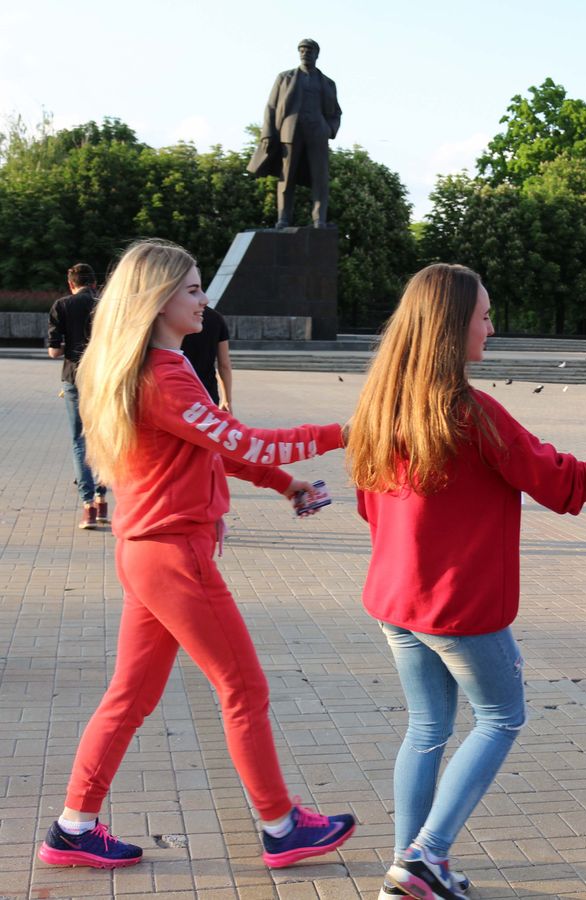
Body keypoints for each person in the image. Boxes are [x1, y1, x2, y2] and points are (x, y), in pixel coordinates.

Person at [344, 263, 586, 900]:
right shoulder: (472, 412)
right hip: (460, 607)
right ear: (452, 328)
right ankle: (427, 856)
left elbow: (369, 507)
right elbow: (562, 482)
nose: (492, 326)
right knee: (502, 717)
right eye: (483, 315)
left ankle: (408, 865)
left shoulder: (380, 406)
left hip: (395, 601)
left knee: (426, 729)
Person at [38, 239, 355, 872]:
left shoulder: (155, 369)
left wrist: (286, 484)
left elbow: (216, 448)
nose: (203, 300)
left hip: (148, 550)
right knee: (243, 687)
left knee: (129, 697)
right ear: (157, 300)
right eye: (191, 289)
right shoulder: (166, 373)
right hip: (175, 555)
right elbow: (241, 439)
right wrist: (346, 431)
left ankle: (74, 828)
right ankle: (280, 826)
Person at [248, 38, 341, 228]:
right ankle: (283, 218)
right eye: (302, 50)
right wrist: (266, 133)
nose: (304, 53)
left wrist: (329, 129)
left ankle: (318, 219)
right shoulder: (285, 77)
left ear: (316, 54)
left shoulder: (328, 83)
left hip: (317, 133)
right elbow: (271, 106)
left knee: (320, 178)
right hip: (290, 132)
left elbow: (336, 112)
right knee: (286, 177)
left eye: (308, 50)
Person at [47, 263, 107, 529]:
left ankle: (88, 507)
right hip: (105, 378)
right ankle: (103, 500)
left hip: (74, 378)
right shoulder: (106, 305)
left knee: (79, 440)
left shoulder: (61, 306)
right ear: (94, 284)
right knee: (105, 439)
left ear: (71, 284)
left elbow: (54, 352)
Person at [181, 305, 233, 409]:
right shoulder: (216, 318)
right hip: (207, 392)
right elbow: (224, 364)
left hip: (177, 389)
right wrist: (227, 400)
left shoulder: (173, 317)